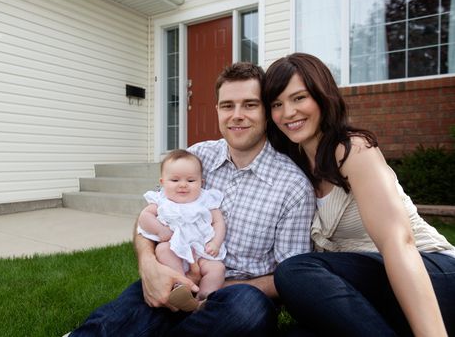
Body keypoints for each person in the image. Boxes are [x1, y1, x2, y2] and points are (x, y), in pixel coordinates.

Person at [69, 62, 316, 336]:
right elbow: (149, 219)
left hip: (237, 293)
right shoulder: (196, 157)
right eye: (227, 106)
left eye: (249, 105)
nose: (237, 115)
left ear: (266, 112)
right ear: (217, 111)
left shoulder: (292, 186)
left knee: (246, 309)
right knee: (132, 307)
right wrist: (149, 266)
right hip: (177, 273)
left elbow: (289, 279)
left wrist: (213, 288)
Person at [264, 52, 455, 337]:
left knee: (295, 271)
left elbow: (398, 244)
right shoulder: (292, 167)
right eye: (277, 104)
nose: (287, 112)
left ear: (322, 96)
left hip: (429, 278)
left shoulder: (353, 150)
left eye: (299, 98)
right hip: (373, 291)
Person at [137, 149, 226, 310]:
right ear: (163, 182)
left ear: (202, 182)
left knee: (217, 268)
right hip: (174, 247)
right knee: (163, 249)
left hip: (201, 251)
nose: (183, 185)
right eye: (175, 180)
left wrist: (216, 243)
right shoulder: (161, 200)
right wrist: (160, 231)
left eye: (191, 180)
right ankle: (180, 285)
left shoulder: (206, 199)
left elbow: (219, 222)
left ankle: (203, 297)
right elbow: (144, 217)